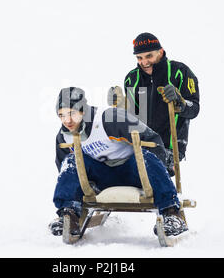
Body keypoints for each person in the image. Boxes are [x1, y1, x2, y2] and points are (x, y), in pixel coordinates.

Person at [49, 87, 188, 238]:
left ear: (83, 110)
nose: (67, 120)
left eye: (72, 113)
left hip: (134, 171)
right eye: (61, 115)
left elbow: (152, 141)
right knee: (71, 161)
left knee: (144, 154)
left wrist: (161, 170)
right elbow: (63, 169)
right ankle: (68, 215)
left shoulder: (109, 118)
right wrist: (82, 188)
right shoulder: (64, 137)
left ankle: (171, 213)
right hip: (102, 177)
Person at [110, 32, 200, 171]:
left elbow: (194, 109)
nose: (144, 62)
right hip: (139, 144)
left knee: (147, 171)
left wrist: (179, 102)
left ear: (160, 52)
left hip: (169, 147)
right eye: (139, 58)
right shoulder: (131, 78)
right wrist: (120, 105)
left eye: (149, 56)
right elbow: (135, 116)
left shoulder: (180, 72)